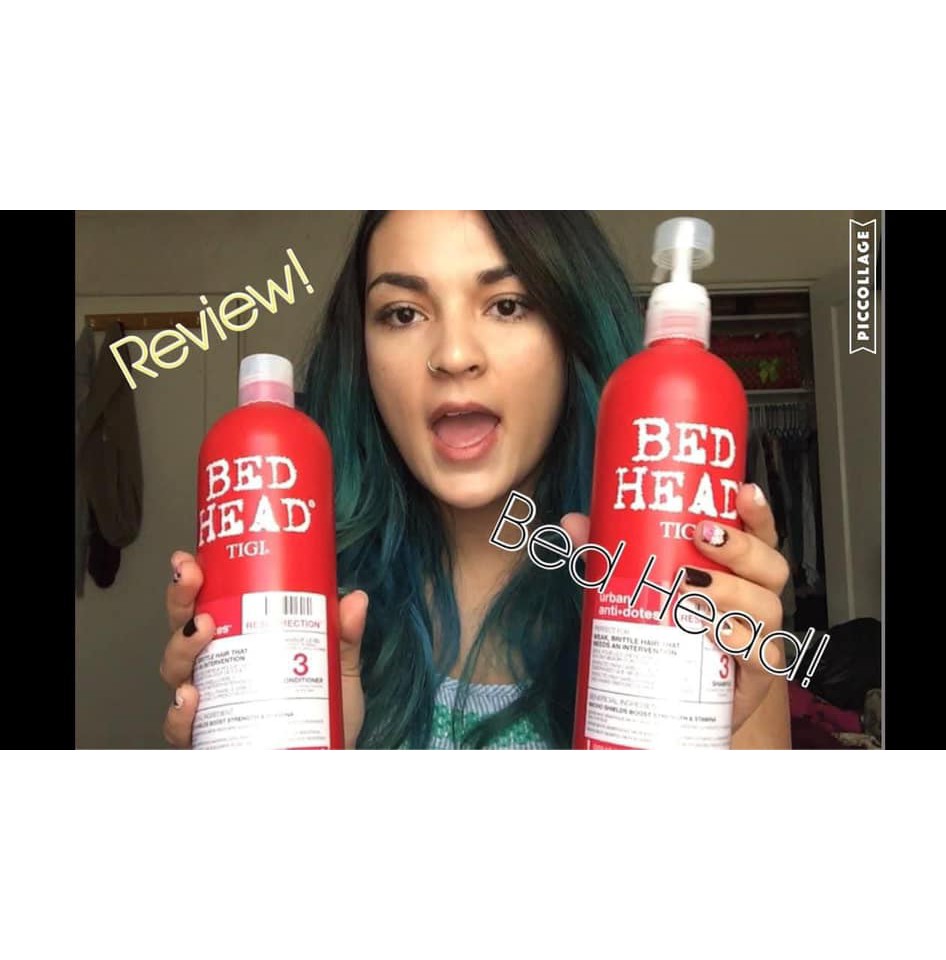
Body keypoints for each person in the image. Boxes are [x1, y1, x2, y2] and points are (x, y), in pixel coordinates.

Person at [160, 211, 792, 749]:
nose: (454, 355)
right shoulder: (302, 601)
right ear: (364, 358)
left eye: (507, 305)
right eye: (403, 313)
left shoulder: (704, 618)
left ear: (571, 332)